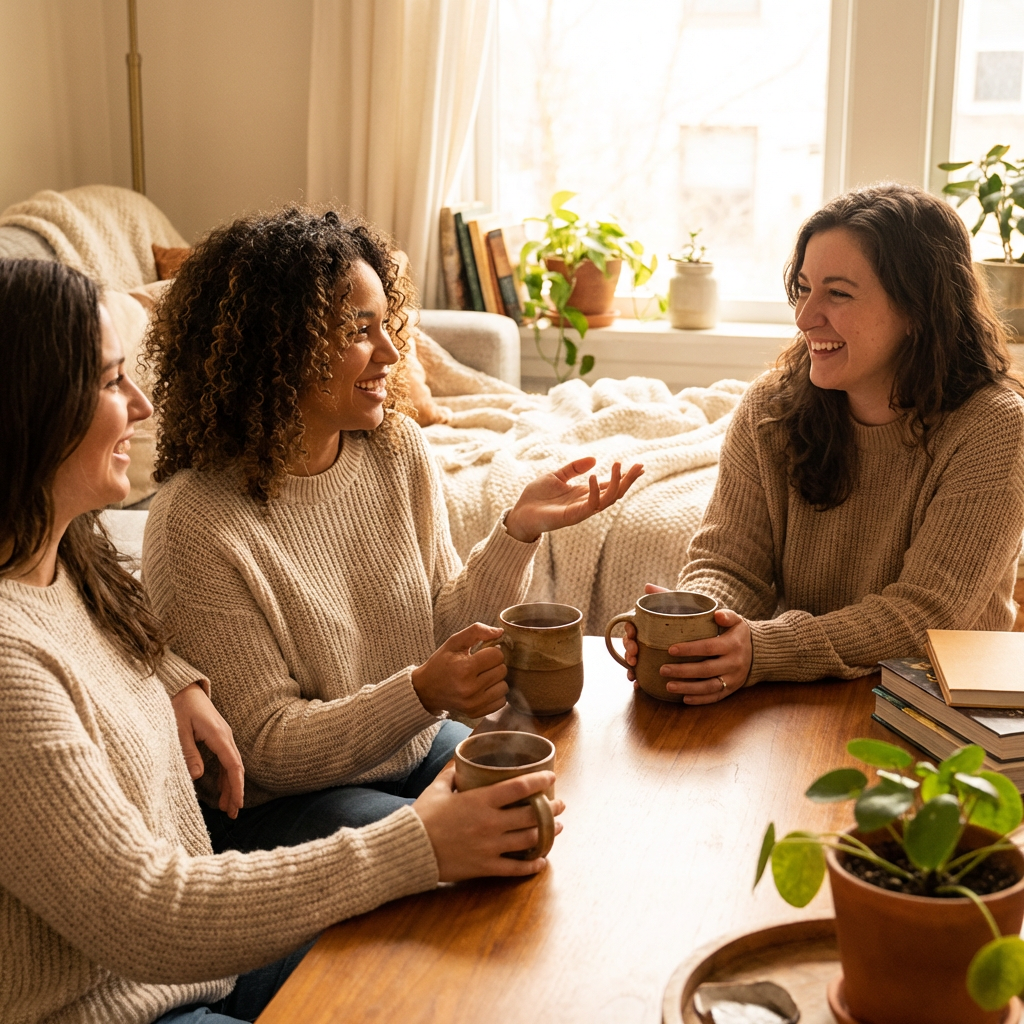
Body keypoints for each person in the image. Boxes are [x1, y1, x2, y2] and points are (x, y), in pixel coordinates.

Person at [0, 258, 564, 1024]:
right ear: (26, 408)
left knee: (466, 970)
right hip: (123, 1002)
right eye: (108, 382)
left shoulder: (71, 558)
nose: (138, 405)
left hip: (200, 970)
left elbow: (116, 638)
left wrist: (171, 677)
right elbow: (146, 912)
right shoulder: (12, 666)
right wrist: (415, 843)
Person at [140, 208, 641, 854]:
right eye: (359, 330)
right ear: (279, 346)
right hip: (290, 803)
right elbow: (266, 748)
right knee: (472, 849)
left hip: (409, 746)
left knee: (546, 799)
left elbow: (439, 628)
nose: (391, 352)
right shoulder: (195, 520)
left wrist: (517, 530)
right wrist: (421, 693)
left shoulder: (395, 448)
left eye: (387, 325)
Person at [623, 183, 1024, 701]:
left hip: (938, 714)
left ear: (918, 310)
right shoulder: (771, 407)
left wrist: (765, 649)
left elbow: (928, 616)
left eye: (838, 293)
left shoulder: (994, 426)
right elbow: (729, 563)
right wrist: (698, 627)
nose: (805, 317)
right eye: (805, 288)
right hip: (802, 696)